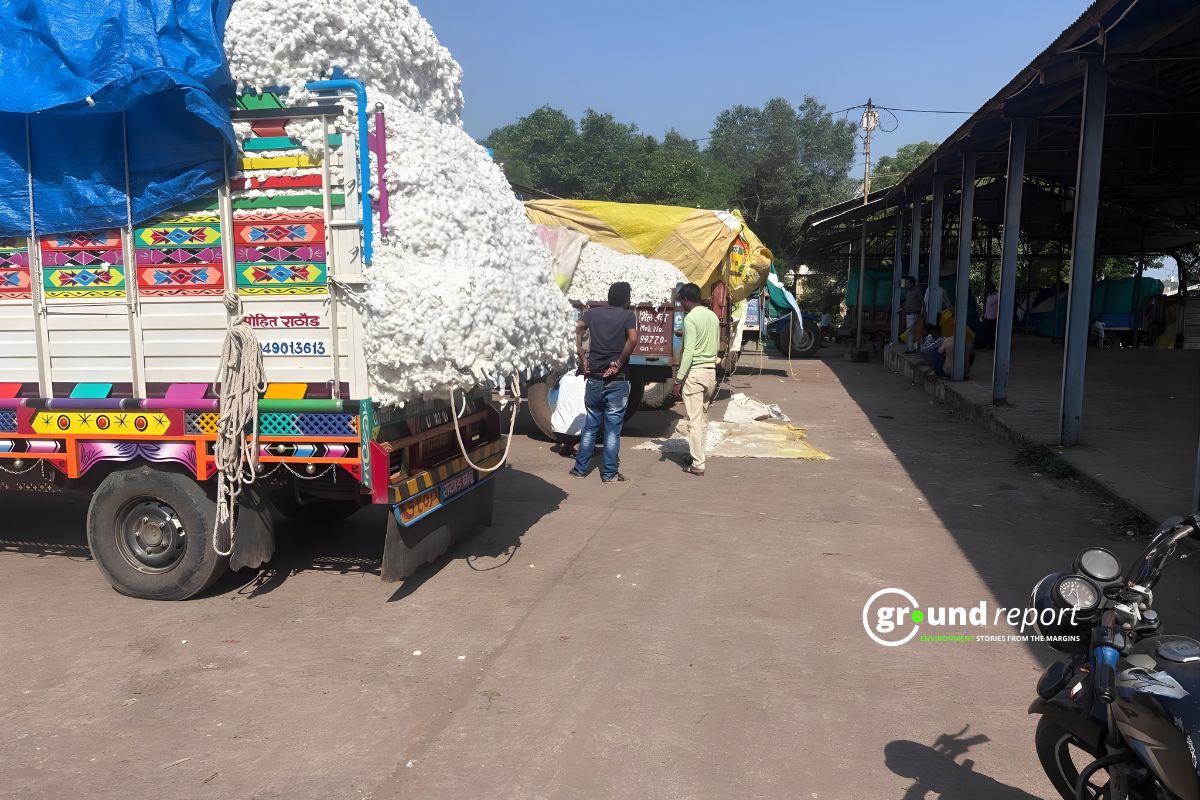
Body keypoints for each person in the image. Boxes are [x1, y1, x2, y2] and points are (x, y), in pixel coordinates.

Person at [570, 281, 638, 482]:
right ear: (626, 299)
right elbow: (633, 339)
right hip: (617, 380)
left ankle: (580, 469)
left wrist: (582, 357)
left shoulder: (592, 314)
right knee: (612, 430)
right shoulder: (627, 316)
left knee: (590, 425)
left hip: (594, 379)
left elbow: (577, 329)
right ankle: (609, 474)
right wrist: (618, 362)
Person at [671, 283, 720, 477]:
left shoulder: (690, 319)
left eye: (680, 301)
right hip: (710, 373)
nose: (680, 305)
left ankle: (698, 464)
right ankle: (696, 455)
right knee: (702, 418)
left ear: (685, 300)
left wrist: (679, 379)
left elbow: (689, 351)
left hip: (695, 373)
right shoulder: (713, 317)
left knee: (694, 421)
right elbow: (715, 345)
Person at [550, 370, 586, 458]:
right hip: (578, 434)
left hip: (557, 431)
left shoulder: (564, 377)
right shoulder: (590, 379)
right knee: (599, 414)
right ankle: (578, 446)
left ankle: (567, 446)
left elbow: (553, 389)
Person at [900, 276, 923, 353]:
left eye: (907, 282)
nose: (906, 284)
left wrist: (924, 314)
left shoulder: (917, 291)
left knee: (910, 331)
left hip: (915, 314)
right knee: (911, 331)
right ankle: (912, 348)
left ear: (912, 283)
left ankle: (911, 349)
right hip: (908, 314)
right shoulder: (908, 292)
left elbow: (923, 303)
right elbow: (908, 303)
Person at [980, 282, 999, 349]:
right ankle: (986, 344)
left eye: (991, 288)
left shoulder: (997, 296)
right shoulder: (989, 295)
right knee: (987, 331)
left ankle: (992, 345)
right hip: (987, 316)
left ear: (993, 288)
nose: (989, 289)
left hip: (993, 317)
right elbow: (987, 305)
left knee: (992, 332)